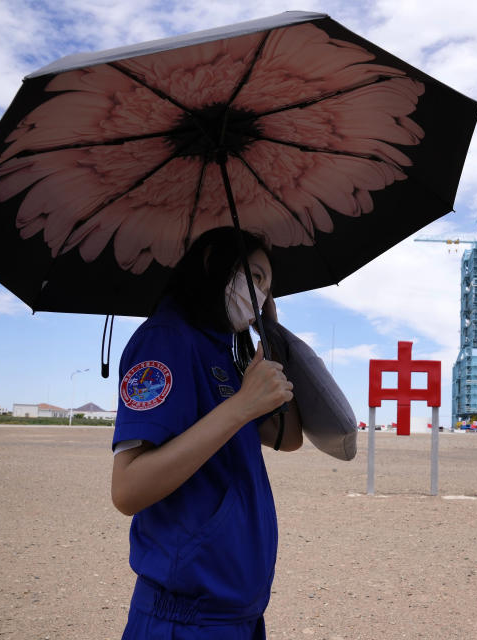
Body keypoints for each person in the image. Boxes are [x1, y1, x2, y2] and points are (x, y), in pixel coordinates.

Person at [110, 227, 302, 639]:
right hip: (183, 619)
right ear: (213, 261)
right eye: (254, 277)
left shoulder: (225, 354)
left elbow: (289, 438)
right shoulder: (165, 340)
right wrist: (240, 407)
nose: (262, 297)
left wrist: (272, 341)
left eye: (269, 288)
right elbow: (127, 489)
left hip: (239, 613)